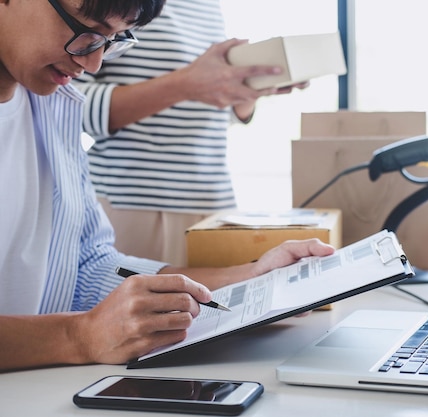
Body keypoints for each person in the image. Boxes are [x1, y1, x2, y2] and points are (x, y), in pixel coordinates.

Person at [0, 0, 334, 372]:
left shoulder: (53, 109)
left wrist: (248, 279)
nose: (94, 64)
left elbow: (90, 268)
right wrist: (80, 336)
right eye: (87, 30)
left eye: (112, 40)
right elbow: (85, 329)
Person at [73, 0, 306, 266]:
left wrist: (246, 93)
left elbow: (201, 113)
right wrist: (186, 84)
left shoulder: (208, 5)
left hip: (213, 203)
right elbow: (73, 105)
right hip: (135, 203)